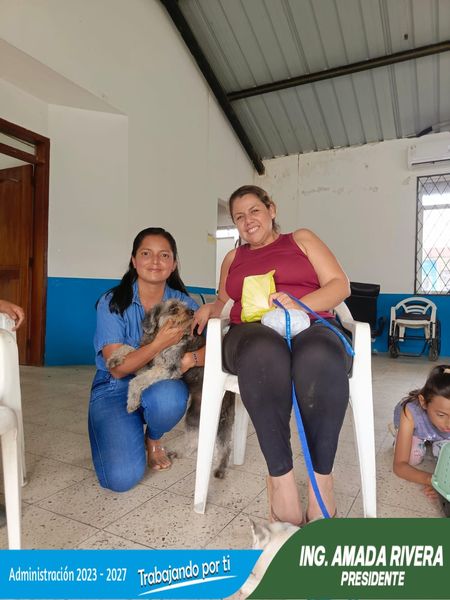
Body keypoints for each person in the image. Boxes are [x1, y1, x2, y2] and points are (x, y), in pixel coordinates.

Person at [193, 184, 352, 524]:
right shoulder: (233, 258)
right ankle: (281, 483)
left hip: (310, 323)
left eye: (254, 210)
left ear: (272, 209)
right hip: (250, 332)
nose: (247, 220)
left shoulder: (301, 240)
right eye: (239, 216)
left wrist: (298, 305)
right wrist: (211, 308)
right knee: (264, 353)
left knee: (320, 358)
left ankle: (322, 483)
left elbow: (340, 285)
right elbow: (224, 300)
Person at [89, 227, 204, 492]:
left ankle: (153, 437)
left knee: (169, 397)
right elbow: (118, 369)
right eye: (146, 253)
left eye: (164, 255)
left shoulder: (185, 304)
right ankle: (128, 427)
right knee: (120, 479)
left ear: (173, 264)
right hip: (115, 385)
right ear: (134, 260)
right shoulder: (113, 301)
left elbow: (216, 345)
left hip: (159, 382)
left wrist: (190, 359)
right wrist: (160, 343)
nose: (155, 261)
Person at [392, 365, 450, 499]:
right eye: (441, 415)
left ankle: (435, 441)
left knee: (445, 456)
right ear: (423, 402)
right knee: (413, 457)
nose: (449, 424)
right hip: (415, 428)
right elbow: (399, 466)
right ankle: (401, 433)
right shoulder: (410, 411)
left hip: (439, 434)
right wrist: (433, 481)